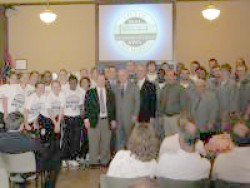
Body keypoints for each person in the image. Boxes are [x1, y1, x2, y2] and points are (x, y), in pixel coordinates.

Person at [84, 74, 116, 166]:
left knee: (106, 141)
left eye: (103, 80)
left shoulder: (110, 93)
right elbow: (86, 106)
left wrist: (113, 119)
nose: (101, 81)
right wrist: (86, 119)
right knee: (93, 141)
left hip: (107, 120)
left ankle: (104, 161)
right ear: (96, 81)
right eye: (99, 80)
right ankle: (93, 161)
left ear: (105, 81)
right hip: (93, 119)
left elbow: (113, 107)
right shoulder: (90, 92)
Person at [61, 75, 84, 168]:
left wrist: (82, 116)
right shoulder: (64, 92)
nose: (73, 84)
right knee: (66, 139)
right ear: (69, 83)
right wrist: (62, 117)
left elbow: (82, 106)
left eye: (75, 83)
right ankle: (63, 159)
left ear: (77, 83)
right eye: (71, 83)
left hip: (77, 118)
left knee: (76, 139)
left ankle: (73, 158)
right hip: (67, 117)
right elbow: (62, 106)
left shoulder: (80, 92)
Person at [115, 69, 140, 150]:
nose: (121, 77)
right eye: (119, 76)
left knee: (130, 138)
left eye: (123, 75)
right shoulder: (115, 87)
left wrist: (135, 115)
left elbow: (137, 102)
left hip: (130, 118)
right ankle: (120, 156)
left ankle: (131, 155)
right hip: (118, 118)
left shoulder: (134, 86)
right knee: (119, 139)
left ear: (127, 76)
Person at [160, 70, 181, 136]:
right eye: (167, 76)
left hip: (176, 118)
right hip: (166, 118)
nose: (169, 77)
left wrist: (182, 118)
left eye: (171, 75)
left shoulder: (180, 88)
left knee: (177, 138)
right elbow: (161, 103)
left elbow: (184, 104)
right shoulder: (164, 88)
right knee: (168, 138)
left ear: (175, 77)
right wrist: (161, 115)